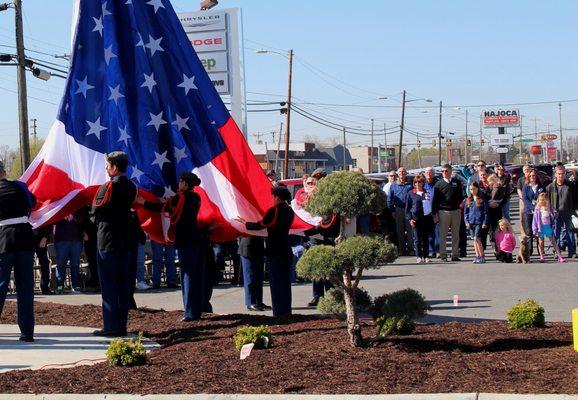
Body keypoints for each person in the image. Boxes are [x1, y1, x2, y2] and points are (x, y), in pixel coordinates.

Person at [138, 172, 206, 321]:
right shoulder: (196, 197)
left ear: (186, 184)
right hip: (197, 240)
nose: (178, 184)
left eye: (181, 182)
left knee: (187, 277)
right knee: (197, 277)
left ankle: (189, 313)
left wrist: (144, 203)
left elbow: (163, 207)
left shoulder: (180, 198)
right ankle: (197, 310)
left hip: (186, 241)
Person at [91, 151, 137, 337]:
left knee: (109, 285)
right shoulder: (131, 186)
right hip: (125, 240)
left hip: (108, 240)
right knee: (123, 285)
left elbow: (95, 213)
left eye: (107, 165)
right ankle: (122, 325)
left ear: (114, 167)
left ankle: (111, 326)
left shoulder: (108, 187)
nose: (106, 168)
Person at [235, 185, 295, 316]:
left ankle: (279, 312)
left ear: (277, 197)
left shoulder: (275, 210)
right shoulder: (290, 210)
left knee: (276, 282)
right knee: (285, 282)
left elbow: (261, 225)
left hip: (275, 249)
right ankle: (286, 310)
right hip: (285, 247)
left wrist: (245, 223)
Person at [0, 160, 37, 342]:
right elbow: (34, 202)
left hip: (3, 240)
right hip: (24, 238)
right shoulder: (20, 187)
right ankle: (27, 332)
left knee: (1, 286)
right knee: (25, 288)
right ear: (4, 172)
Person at [433, 164, 465, 262]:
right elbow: (435, 200)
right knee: (443, 234)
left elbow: (461, 195)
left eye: (446, 171)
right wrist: (435, 213)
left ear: (450, 171)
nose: (444, 173)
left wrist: (459, 204)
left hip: (455, 211)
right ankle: (443, 255)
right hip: (443, 211)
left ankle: (455, 254)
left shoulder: (457, 182)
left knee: (456, 234)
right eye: (442, 171)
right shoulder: (438, 184)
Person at [547, 166, 576, 259]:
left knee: (570, 232)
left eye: (563, 174)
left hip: (568, 212)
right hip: (556, 213)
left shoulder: (570, 185)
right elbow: (547, 200)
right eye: (559, 174)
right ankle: (557, 251)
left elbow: (575, 198)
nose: (561, 175)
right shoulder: (550, 187)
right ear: (555, 174)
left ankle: (572, 252)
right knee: (556, 233)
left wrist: (575, 210)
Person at [53, 210, 85, 294]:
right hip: (61, 239)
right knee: (61, 264)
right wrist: (63, 213)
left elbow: (83, 218)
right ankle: (60, 286)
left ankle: (76, 286)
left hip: (76, 239)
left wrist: (73, 214)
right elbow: (52, 219)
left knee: (75, 264)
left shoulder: (76, 202)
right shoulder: (60, 203)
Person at [405, 174, 434, 263]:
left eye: (420, 182)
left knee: (425, 238)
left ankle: (426, 256)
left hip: (427, 218)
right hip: (416, 219)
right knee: (417, 239)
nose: (417, 183)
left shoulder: (427, 192)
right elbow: (408, 208)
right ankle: (419, 256)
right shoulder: (411, 193)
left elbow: (431, 204)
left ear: (423, 183)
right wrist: (410, 219)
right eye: (416, 182)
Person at [532, 192, 565, 263]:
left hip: (548, 226)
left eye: (543, 200)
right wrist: (534, 229)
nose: (542, 201)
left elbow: (554, 214)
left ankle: (559, 256)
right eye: (540, 200)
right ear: (538, 200)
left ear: (546, 200)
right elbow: (534, 220)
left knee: (553, 241)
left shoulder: (549, 207)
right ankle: (542, 256)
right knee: (541, 242)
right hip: (540, 227)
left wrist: (555, 214)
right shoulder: (537, 209)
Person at [388, 167, 413, 256]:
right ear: (397, 174)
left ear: (406, 173)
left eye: (403, 172)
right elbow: (389, 199)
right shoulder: (393, 185)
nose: (402, 173)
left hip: (409, 210)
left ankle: (411, 249)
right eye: (400, 172)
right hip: (398, 210)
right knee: (400, 231)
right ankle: (401, 250)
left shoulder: (410, 184)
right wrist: (392, 210)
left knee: (410, 231)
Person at [238, 234, 267, 311]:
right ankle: (250, 302)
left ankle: (258, 301)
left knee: (259, 277)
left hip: (258, 246)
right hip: (247, 247)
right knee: (250, 277)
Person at [464, 181, 489, 264]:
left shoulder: (482, 199)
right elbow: (466, 213)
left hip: (479, 222)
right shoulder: (468, 200)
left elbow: (485, 212)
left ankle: (482, 256)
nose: (472, 191)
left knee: (477, 238)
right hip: (471, 222)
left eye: (474, 189)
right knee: (474, 240)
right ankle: (477, 255)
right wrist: (466, 222)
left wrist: (485, 222)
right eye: (471, 189)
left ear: (477, 189)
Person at [521, 169, 544, 256]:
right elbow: (525, 199)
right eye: (530, 176)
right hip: (528, 212)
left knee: (539, 231)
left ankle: (540, 251)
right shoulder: (526, 187)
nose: (532, 177)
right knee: (529, 232)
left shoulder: (541, 186)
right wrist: (532, 208)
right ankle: (529, 251)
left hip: (539, 212)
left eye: (533, 175)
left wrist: (538, 208)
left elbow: (543, 198)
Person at [424, 167, 439, 258]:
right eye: (427, 172)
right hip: (426, 212)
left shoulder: (438, 184)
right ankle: (431, 251)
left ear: (433, 174)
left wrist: (436, 211)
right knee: (429, 233)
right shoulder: (422, 184)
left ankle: (438, 250)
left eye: (430, 172)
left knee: (437, 233)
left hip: (436, 211)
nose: (429, 174)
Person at [33, 226, 52, 295]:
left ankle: (45, 287)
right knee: (26, 265)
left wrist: (45, 238)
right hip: (27, 240)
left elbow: (47, 224)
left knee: (45, 263)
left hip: (40, 239)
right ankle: (28, 287)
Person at [517, 164, 532, 236]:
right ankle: (524, 234)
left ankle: (533, 233)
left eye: (528, 169)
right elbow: (518, 189)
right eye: (525, 170)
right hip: (523, 201)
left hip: (532, 200)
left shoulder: (533, 178)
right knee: (522, 217)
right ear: (523, 171)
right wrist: (523, 197)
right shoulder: (521, 179)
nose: (527, 171)